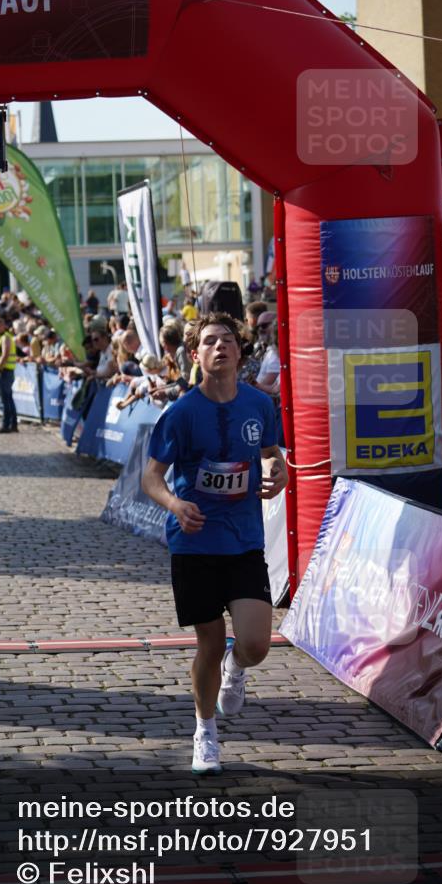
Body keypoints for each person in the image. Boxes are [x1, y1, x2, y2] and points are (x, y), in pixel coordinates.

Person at [142, 312, 288, 775]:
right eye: (210, 341)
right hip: (195, 543)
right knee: (208, 641)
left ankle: (237, 666)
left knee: (256, 643)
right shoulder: (181, 413)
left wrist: (279, 473)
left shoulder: (260, 406)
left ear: (240, 353)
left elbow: (271, 456)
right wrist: (174, 504)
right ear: (195, 355)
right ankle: (205, 732)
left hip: (244, 538)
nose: (220, 346)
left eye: (228, 340)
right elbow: (151, 478)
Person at [0, 315, 19, 433]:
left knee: (4, 400)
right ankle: (13, 425)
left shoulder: (5, 338)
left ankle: (6, 425)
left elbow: (5, 355)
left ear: (3, 326)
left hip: (4, 372)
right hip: (4, 372)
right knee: (8, 399)